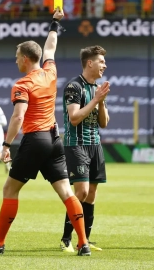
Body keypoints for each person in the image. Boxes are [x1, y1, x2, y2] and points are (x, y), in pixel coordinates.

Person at [0, 9, 91, 256]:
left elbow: (18, 117)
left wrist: (6, 144)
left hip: (35, 140)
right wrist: (55, 23)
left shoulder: (23, 84)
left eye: (17, 57)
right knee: (67, 192)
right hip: (54, 139)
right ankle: (83, 243)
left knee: (9, 190)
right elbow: (51, 47)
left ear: (25, 58)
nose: (16, 61)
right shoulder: (50, 72)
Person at [59, 45, 110, 253]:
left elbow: (104, 123)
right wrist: (96, 100)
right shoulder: (74, 87)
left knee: (91, 195)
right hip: (76, 145)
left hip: (95, 145)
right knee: (81, 191)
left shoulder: (96, 89)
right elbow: (74, 118)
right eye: (101, 61)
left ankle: (85, 239)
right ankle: (66, 239)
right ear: (90, 63)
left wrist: (102, 102)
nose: (104, 65)